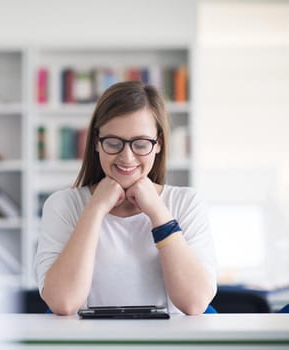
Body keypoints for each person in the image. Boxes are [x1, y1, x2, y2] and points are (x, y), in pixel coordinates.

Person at [34, 81, 217, 316]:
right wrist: (96, 208)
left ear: (158, 144)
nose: (126, 157)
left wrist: (157, 212)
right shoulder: (63, 205)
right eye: (113, 143)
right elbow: (63, 302)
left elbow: (194, 303)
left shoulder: (186, 202)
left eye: (141, 144)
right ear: (96, 143)